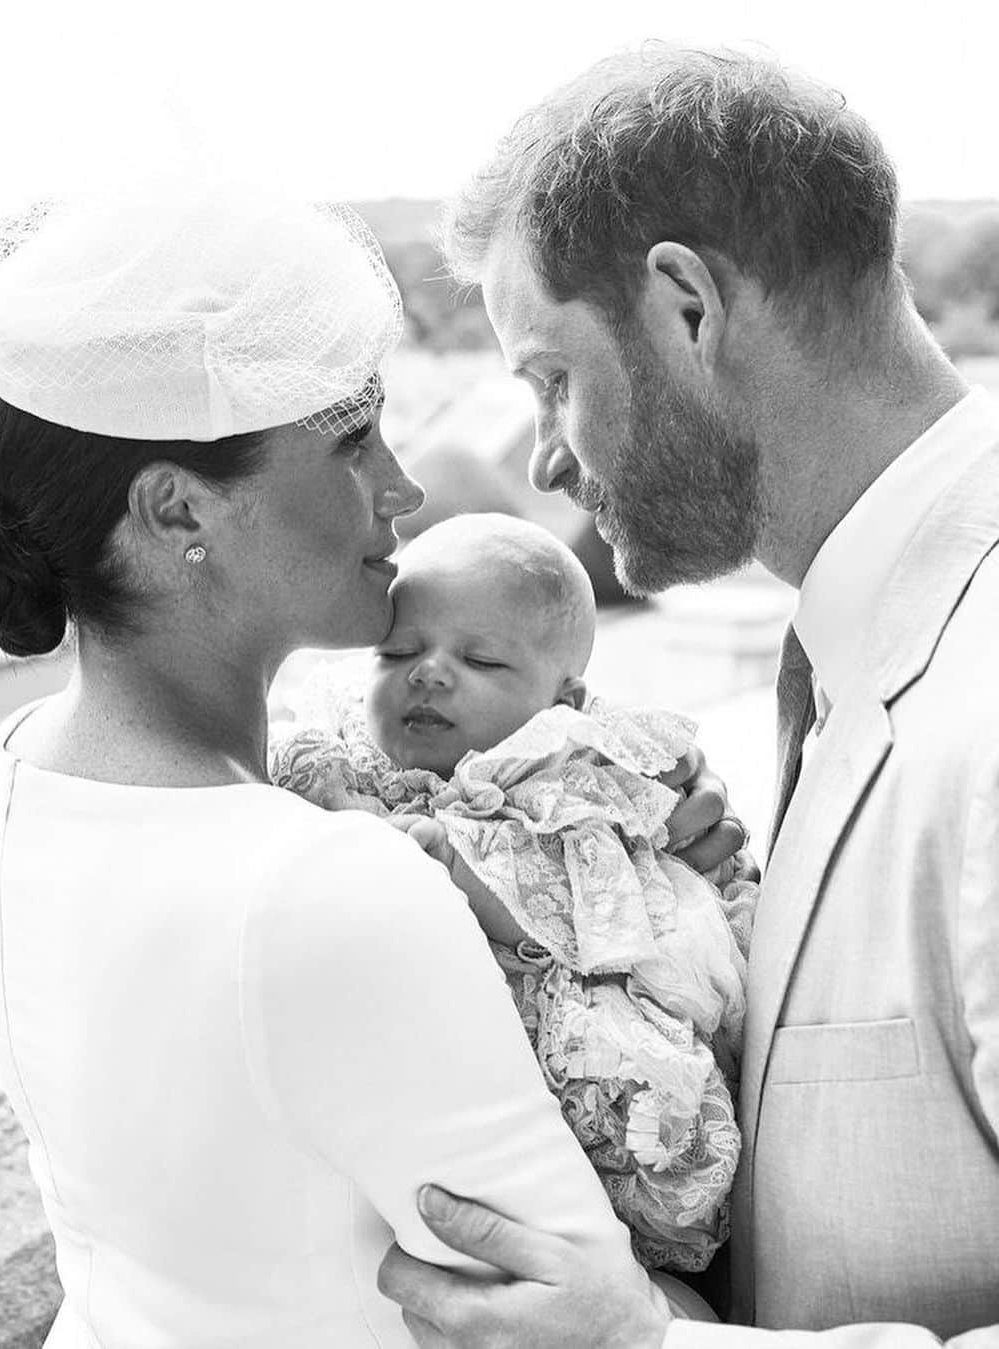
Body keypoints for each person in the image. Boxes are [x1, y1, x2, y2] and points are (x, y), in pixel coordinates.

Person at [0, 180, 741, 1347]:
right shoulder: (329, 882)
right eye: (353, 443)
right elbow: (589, 1313)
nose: (403, 487)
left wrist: (600, 814)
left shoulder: (21, 770)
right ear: (174, 511)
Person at [376, 44, 999, 1347]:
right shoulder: (864, 638)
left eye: (552, 378)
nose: (545, 456)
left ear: (687, 309)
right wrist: (721, 943)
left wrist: (646, 1345)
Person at [273, 511, 757, 1279]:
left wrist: (454, 868)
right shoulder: (339, 759)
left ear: (563, 698)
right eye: (398, 650)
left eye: (483, 660)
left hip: (570, 1027)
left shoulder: (564, 780)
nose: (429, 671)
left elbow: (586, 907)